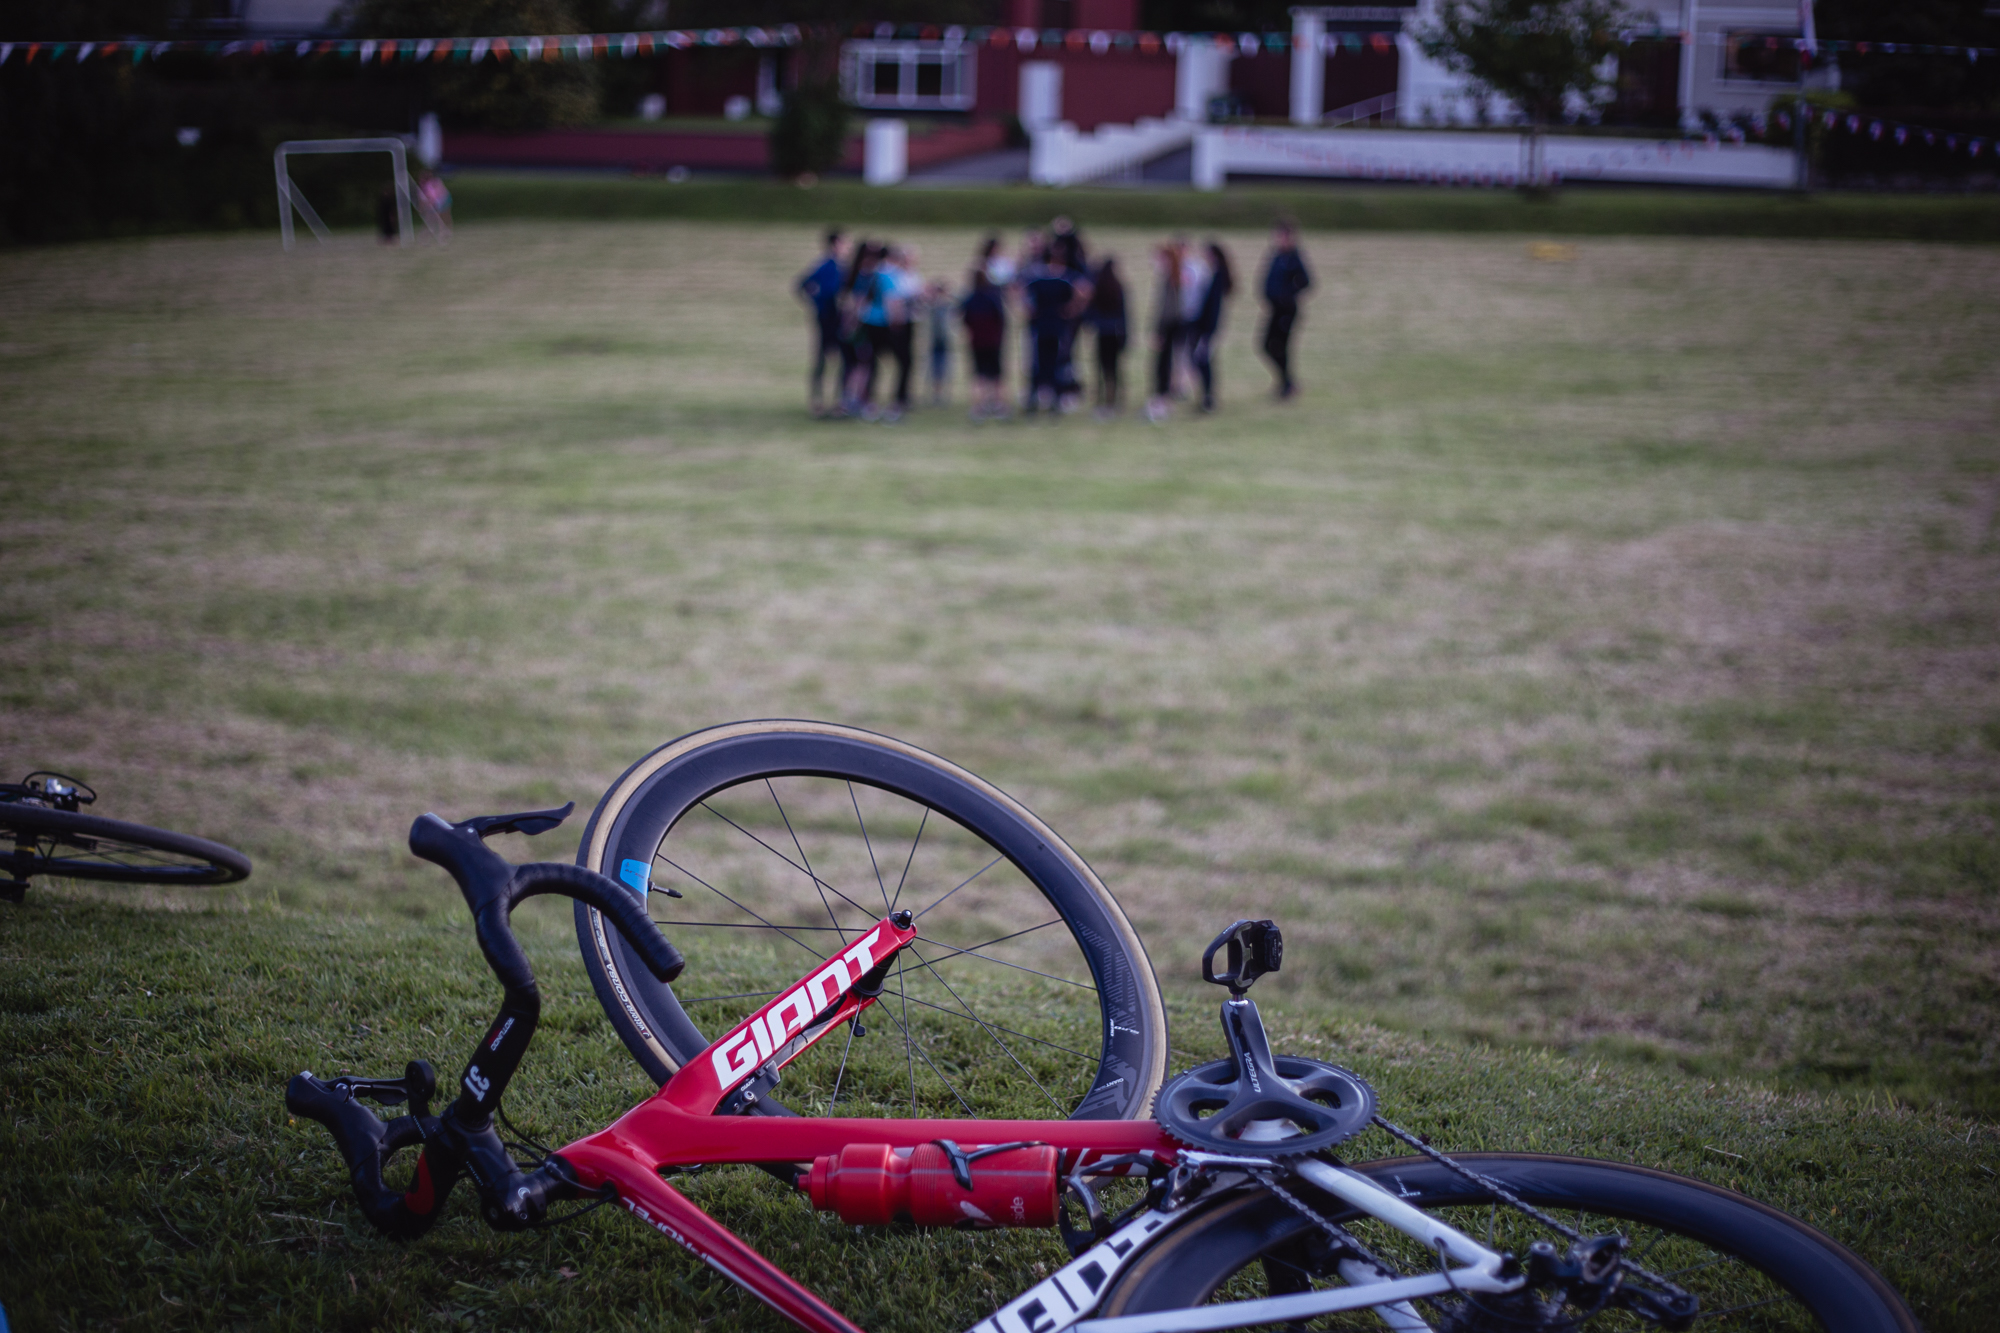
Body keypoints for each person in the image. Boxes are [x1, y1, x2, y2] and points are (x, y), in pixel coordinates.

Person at [1021, 246, 1082, 415]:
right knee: (1056, 364)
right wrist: (1071, 309)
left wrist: (1029, 310)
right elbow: (1083, 291)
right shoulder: (1063, 279)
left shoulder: (1037, 279)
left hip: (1039, 326)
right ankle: (1054, 401)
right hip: (1057, 327)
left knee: (1037, 363)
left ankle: (1032, 401)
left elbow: (1020, 291)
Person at [1259, 221, 1312, 399]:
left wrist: (1286, 295)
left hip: (1286, 311)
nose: (1278, 239)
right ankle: (1286, 382)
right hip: (1274, 309)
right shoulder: (1277, 255)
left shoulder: (1294, 257)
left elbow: (1306, 281)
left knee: (1281, 347)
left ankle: (1287, 385)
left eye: (1281, 236)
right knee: (1266, 345)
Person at [796, 228, 846, 416]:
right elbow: (802, 284)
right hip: (827, 318)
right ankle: (817, 401)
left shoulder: (844, 266)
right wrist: (817, 302)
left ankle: (839, 400)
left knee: (842, 359)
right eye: (844, 243)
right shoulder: (826, 265)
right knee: (822, 359)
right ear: (835, 244)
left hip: (840, 319)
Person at [1186, 240, 1233, 413]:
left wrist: (1206, 331)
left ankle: (1208, 399)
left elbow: (1212, 308)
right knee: (1203, 361)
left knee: (1203, 361)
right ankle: (1206, 397)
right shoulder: (1213, 275)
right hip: (1204, 327)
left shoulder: (1217, 277)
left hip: (1207, 328)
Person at [1145, 238, 1187, 423]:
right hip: (1171, 326)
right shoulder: (1172, 276)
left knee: (1162, 364)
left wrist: (1159, 331)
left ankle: (1162, 398)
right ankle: (1163, 395)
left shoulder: (1170, 278)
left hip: (1168, 327)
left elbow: (1167, 309)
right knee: (1165, 363)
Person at [960, 270, 1009, 420]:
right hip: (993, 340)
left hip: (977, 341)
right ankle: (999, 406)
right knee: (997, 375)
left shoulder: (970, 298)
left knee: (979, 374)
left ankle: (978, 408)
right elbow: (1001, 318)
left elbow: (965, 319)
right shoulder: (993, 296)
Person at [1088, 256, 1127, 417]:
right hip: (1115, 332)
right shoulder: (1118, 287)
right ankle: (1114, 399)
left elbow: (1091, 312)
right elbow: (1124, 314)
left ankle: (1101, 399)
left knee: (1101, 368)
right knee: (1114, 368)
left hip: (1102, 333)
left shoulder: (1098, 287)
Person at [925, 278, 953, 405]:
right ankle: (935, 395)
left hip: (945, 342)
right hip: (933, 342)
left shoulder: (948, 306)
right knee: (933, 369)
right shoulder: (931, 306)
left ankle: (943, 394)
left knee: (945, 368)